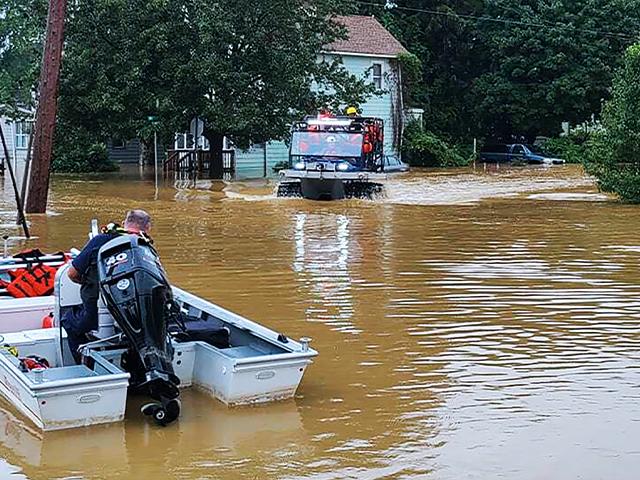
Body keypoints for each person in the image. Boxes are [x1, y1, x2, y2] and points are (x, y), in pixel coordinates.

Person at [62, 209, 152, 362]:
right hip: (137, 318)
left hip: (96, 314)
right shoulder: (146, 247)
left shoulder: (100, 240)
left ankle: (86, 366)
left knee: (67, 320)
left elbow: (71, 274)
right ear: (148, 227)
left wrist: (88, 282)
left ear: (124, 223)